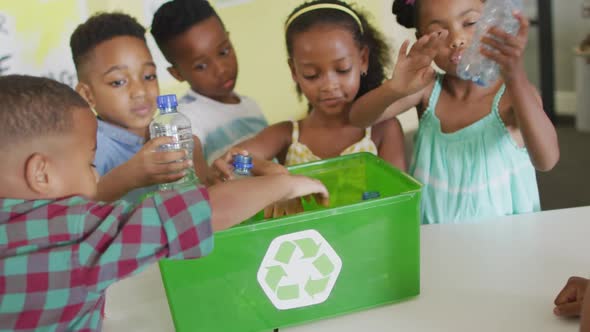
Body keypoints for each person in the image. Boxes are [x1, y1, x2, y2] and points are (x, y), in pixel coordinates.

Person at [0, 75, 329, 331]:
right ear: (41, 173)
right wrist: (283, 184)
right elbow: (201, 211)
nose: (95, 176)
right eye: (90, 162)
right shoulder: (77, 233)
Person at [348, 0, 559, 224]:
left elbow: (547, 160)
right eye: (439, 31)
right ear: (422, 38)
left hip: (506, 246)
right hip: (436, 241)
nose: (456, 39)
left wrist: (516, 78)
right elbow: (358, 118)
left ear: (494, 22)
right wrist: (393, 88)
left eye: (470, 22)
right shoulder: (427, 90)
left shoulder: (514, 95)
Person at [70, 12, 208, 201]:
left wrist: (201, 165)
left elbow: (200, 201)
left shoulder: (165, 133)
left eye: (149, 76)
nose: (140, 91)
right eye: (118, 82)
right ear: (88, 95)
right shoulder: (92, 148)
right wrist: (128, 176)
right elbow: (76, 212)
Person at [151, 0, 268, 165]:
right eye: (201, 66)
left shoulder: (251, 106)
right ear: (177, 74)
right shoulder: (185, 121)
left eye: (223, 51)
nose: (221, 69)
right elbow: (197, 187)